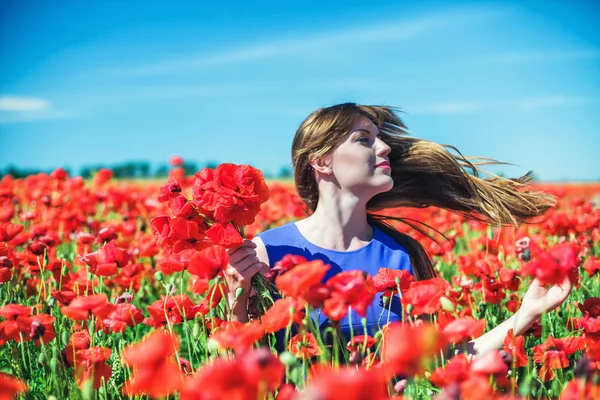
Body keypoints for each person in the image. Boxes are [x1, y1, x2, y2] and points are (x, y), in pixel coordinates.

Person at [222, 102, 572, 357]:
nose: (384, 146)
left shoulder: (402, 255)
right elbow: (243, 366)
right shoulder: (267, 252)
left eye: (380, 138)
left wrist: (527, 313)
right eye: (364, 139)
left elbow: (443, 361)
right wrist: (236, 306)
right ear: (321, 160)